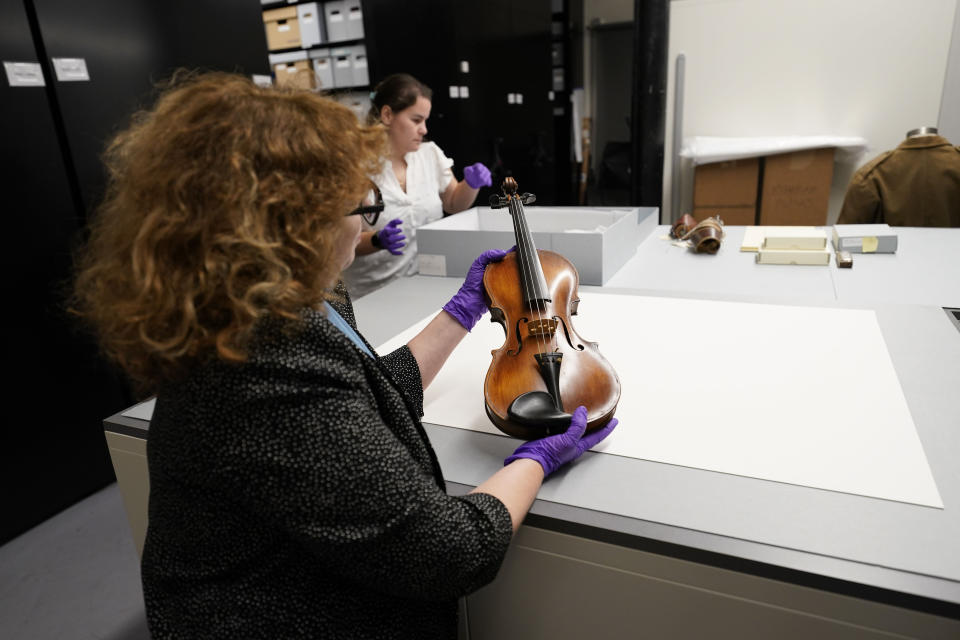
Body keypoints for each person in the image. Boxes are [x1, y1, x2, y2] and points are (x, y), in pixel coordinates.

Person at [71, 72, 617, 639]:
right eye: (362, 206)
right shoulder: (268, 366)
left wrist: (463, 310)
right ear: (297, 226)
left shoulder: (289, 306)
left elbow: (374, 387)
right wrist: (536, 461)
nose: (364, 224)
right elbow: (448, 552)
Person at [344, 73, 493, 298]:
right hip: (370, 292)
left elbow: (453, 203)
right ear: (387, 115)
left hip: (424, 282)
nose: (424, 129)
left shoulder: (429, 154)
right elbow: (342, 239)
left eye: (425, 120)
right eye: (416, 120)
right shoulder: (355, 165)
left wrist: (470, 185)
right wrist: (377, 240)